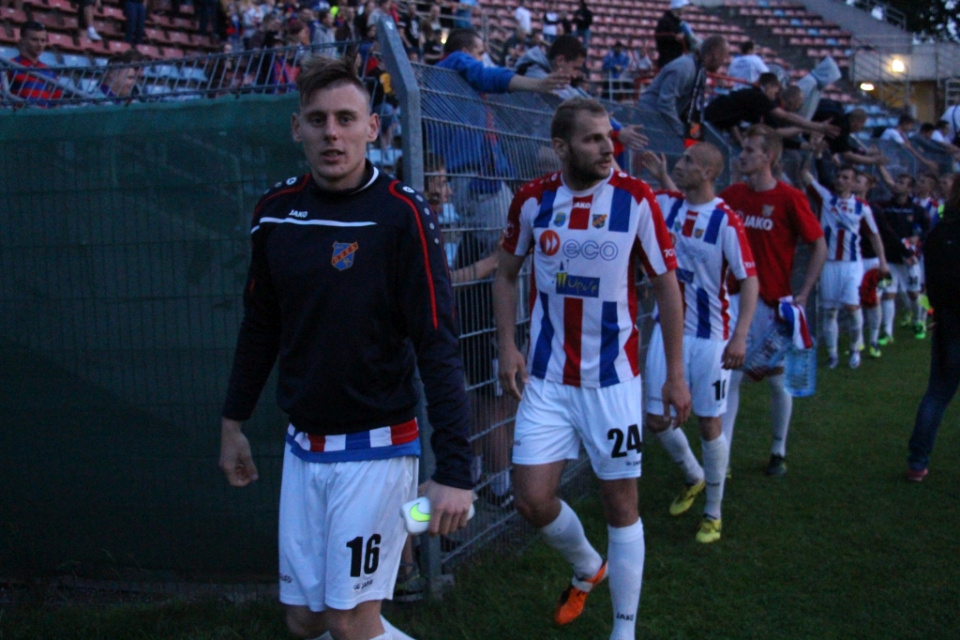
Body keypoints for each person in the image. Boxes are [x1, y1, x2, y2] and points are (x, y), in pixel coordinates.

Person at [219, 55, 474, 640]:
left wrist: (454, 471)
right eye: (317, 119)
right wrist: (232, 423)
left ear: (371, 128)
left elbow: (437, 346)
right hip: (304, 449)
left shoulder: (404, 214)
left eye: (344, 118)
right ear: (296, 128)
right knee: (305, 621)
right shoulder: (274, 213)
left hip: (377, 449)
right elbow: (259, 326)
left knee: (350, 622)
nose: (331, 132)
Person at [494, 96, 691, 640]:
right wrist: (507, 345)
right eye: (594, 139)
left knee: (620, 502)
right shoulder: (532, 201)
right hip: (548, 379)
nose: (609, 147)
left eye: (610, 136)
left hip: (613, 381)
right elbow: (506, 275)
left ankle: (623, 632)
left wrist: (674, 372)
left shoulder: (636, 198)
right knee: (531, 499)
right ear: (561, 148)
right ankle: (587, 566)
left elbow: (666, 287)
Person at [640, 144, 758, 544]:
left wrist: (740, 334)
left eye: (689, 161)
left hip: (710, 337)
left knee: (709, 423)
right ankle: (693, 476)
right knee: (655, 419)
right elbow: (677, 202)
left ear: (708, 172)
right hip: (667, 330)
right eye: (681, 157)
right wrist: (659, 176)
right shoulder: (668, 204)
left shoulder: (726, 222)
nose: (679, 162)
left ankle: (713, 511)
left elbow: (749, 279)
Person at [719, 124, 827, 477]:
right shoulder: (733, 195)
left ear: (769, 156)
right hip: (735, 300)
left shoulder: (790, 198)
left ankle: (778, 450)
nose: (742, 155)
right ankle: (725, 456)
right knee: (729, 379)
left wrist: (804, 292)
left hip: (773, 302)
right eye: (743, 149)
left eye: (750, 150)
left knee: (777, 379)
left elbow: (819, 244)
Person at [800, 165, 888, 369]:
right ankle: (832, 355)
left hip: (852, 265)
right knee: (829, 311)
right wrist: (810, 150)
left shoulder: (861, 207)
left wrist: (882, 260)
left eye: (845, 177)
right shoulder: (825, 198)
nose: (839, 180)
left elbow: (874, 235)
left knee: (852, 306)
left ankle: (855, 348)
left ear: (852, 182)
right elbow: (805, 174)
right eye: (838, 176)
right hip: (828, 263)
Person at [514, 34, 648, 167]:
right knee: (584, 165)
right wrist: (616, 129)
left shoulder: (543, 69)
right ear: (560, 60)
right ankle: (621, 186)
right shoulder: (533, 73)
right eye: (575, 68)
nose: (576, 75)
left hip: (532, 142)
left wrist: (617, 128)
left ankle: (620, 185)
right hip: (519, 146)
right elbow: (573, 100)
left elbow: (580, 96)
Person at [906, 175, 960, 482]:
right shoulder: (941, 229)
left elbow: (933, 277)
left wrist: (938, 310)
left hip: (948, 320)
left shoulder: (941, 230)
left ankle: (917, 462)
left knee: (937, 394)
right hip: (950, 318)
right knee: (937, 394)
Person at [704, 73, 839, 145]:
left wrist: (741, 143)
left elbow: (731, 122)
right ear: (768, 86)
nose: (777, 93)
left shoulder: (750, 98)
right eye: (776, 89)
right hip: (707, 124)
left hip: (710, 122)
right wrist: (816, 126)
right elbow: (785, 117)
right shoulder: (758, 97)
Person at [638, 35, 728, 140]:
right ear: (715, 53)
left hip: (656, 122)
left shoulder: (696, 69)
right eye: (724, 57)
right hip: (649, 122)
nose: (724, 62)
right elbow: (665, 103)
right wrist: (682, 131)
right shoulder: (685, 68)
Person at [875, 172, 929, 343]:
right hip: (889, 259)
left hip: (909, 259)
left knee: (914, 294)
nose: (897, 185)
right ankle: (887, 332)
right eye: (897, 181)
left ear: (909, 188)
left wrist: (918, 238)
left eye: (902, 182)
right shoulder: (884, 207)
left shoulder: (917, 210)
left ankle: (919, 321)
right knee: (888, 294)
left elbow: (928, 229)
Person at [6, 22, 62, 107]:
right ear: (22, 41)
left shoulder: (49, 71)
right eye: (34, 40)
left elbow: (57, 103)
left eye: (43, 40)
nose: (39, 44)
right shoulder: (9, 66)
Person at [654, 0, 697, 70]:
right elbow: (660, 38)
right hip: (667, 61)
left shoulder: (681, 23)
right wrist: (675, 38)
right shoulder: (664, 21)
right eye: (685, 6)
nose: (686, 9)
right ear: (679, 6)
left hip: (677, 61)